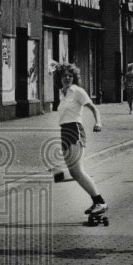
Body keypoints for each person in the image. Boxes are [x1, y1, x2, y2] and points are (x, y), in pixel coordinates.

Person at [52, 62, 107, 217]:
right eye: (64, 76)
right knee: (74, 171)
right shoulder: (63, 93)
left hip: (75, 130)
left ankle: (100, 202)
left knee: (77, 171)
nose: (67, 78)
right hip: (64, 131)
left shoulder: (77, 91)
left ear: (74, 77)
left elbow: (93, 108)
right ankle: (95, 198)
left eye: (70, 75)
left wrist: (98, 122)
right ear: (60, 78)